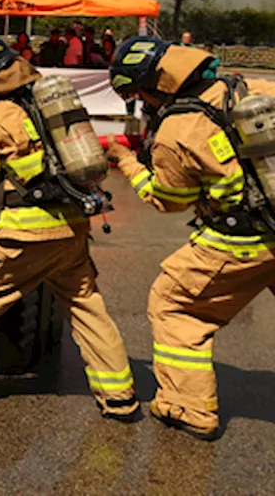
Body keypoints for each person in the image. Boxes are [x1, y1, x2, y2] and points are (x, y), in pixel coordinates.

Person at [0, 33, 137, 420]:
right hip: (71, 227)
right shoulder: (47, 102)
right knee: (87, 308)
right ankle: (120, 396)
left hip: (24, 235)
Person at [106, 37, 275, 440]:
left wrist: (127, 161)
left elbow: (169, 201)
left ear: (155, 86)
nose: (141, 103)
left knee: (175, 306)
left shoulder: (176, 129)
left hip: (241, 241)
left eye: (138, 94)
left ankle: (187, 408)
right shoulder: (248, 88)